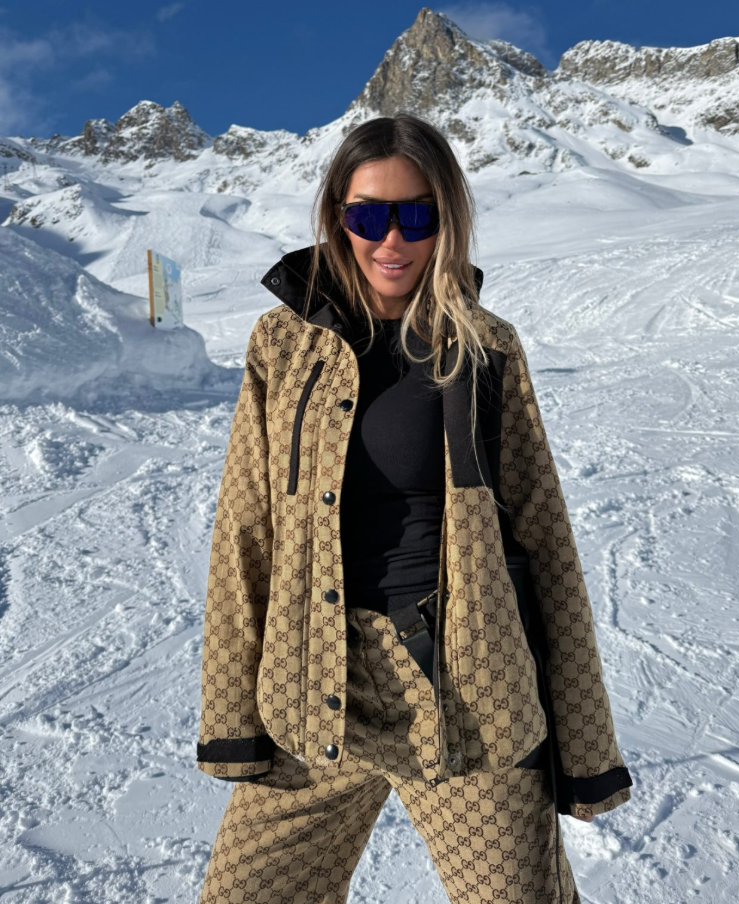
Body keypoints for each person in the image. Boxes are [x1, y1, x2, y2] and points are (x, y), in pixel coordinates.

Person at [196, 112, 633, 904]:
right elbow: (245, 529)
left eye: (416, 216)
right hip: (312, 688)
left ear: (447, 219)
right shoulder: (283, 345)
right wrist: (231, 719)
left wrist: (587, 746)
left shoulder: (485, 348)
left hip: (462, 695)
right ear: (337, 216)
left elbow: (545, 539)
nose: (391, 241)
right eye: (368, 217)